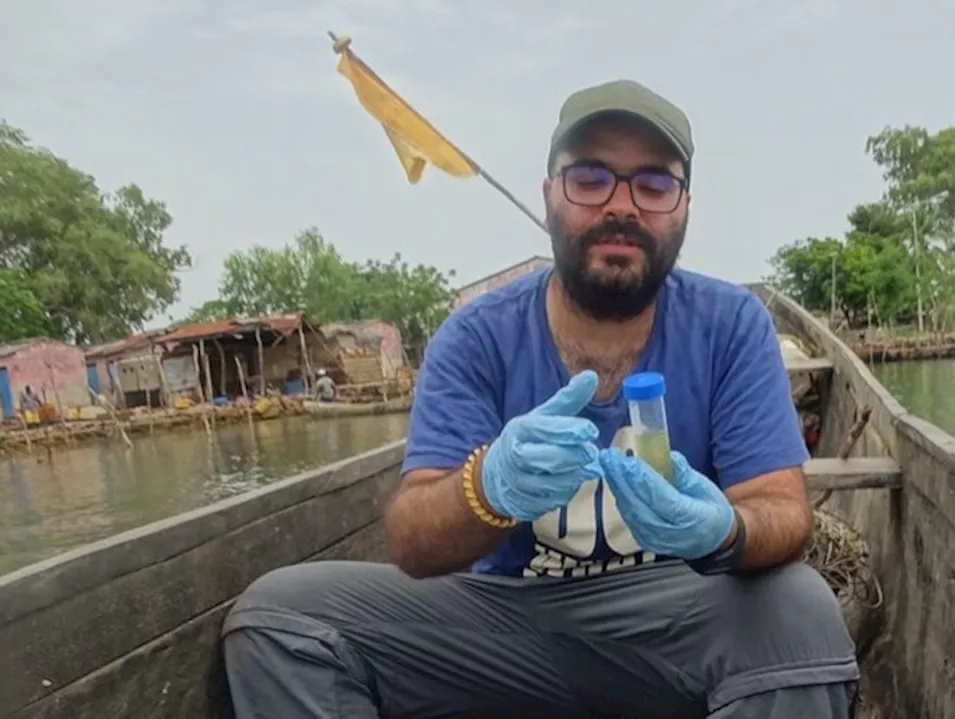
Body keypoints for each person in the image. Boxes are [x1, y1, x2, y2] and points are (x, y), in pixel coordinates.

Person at [221, 79, 860, 718]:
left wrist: (724, 530)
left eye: (654, 184)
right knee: (281, 617)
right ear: (550, 192)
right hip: (510, 628)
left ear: (685, 205)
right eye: (590, 178)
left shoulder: (731, 325)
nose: (622, 206)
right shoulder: (476, 337)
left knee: (800, 611)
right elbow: (414, 541)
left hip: (682, 619)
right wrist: (488, 487)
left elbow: (781, 510)